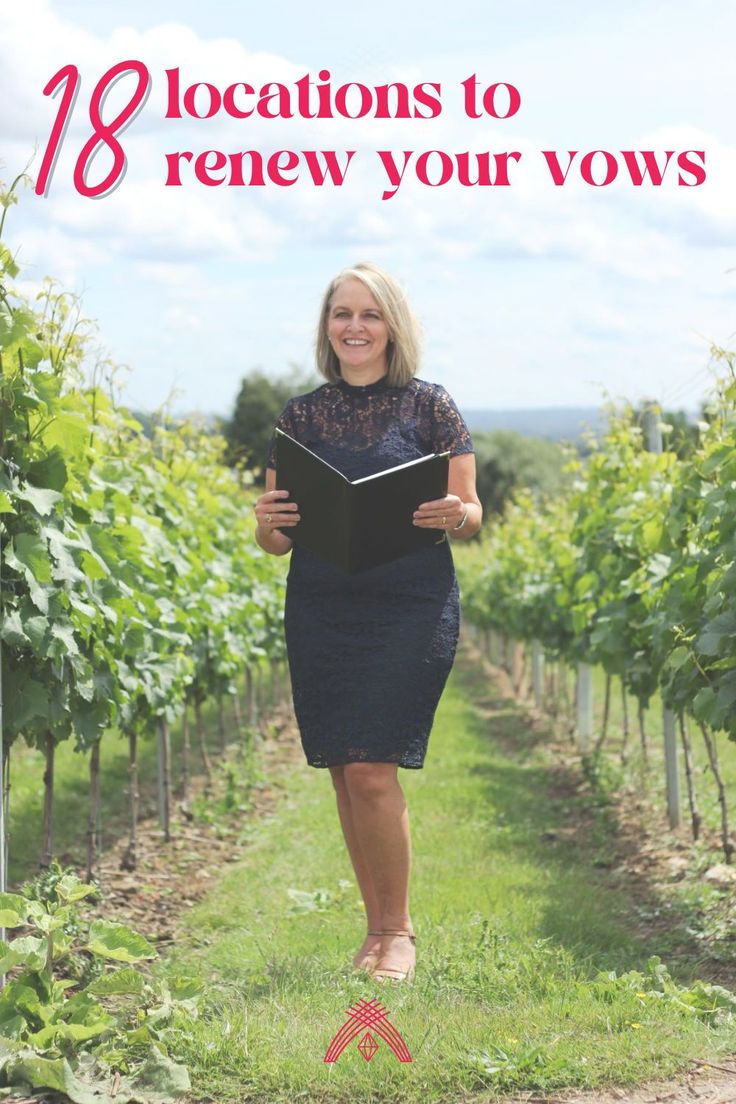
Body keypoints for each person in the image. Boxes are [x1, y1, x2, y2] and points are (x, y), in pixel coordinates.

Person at [254, 262, 482, 983]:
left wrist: (458, 514)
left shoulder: (431, 408)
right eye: (341, 313)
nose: (354, 326)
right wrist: (267, 522)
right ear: (327, 327)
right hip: (322, 603)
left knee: (373, 770)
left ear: (392, 326)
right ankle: (372, 930)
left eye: (369, 314)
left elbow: (471, 513)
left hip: (410, 604)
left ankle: (398, 931)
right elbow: (275, 538)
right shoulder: (299, 417)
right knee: (345, 775)